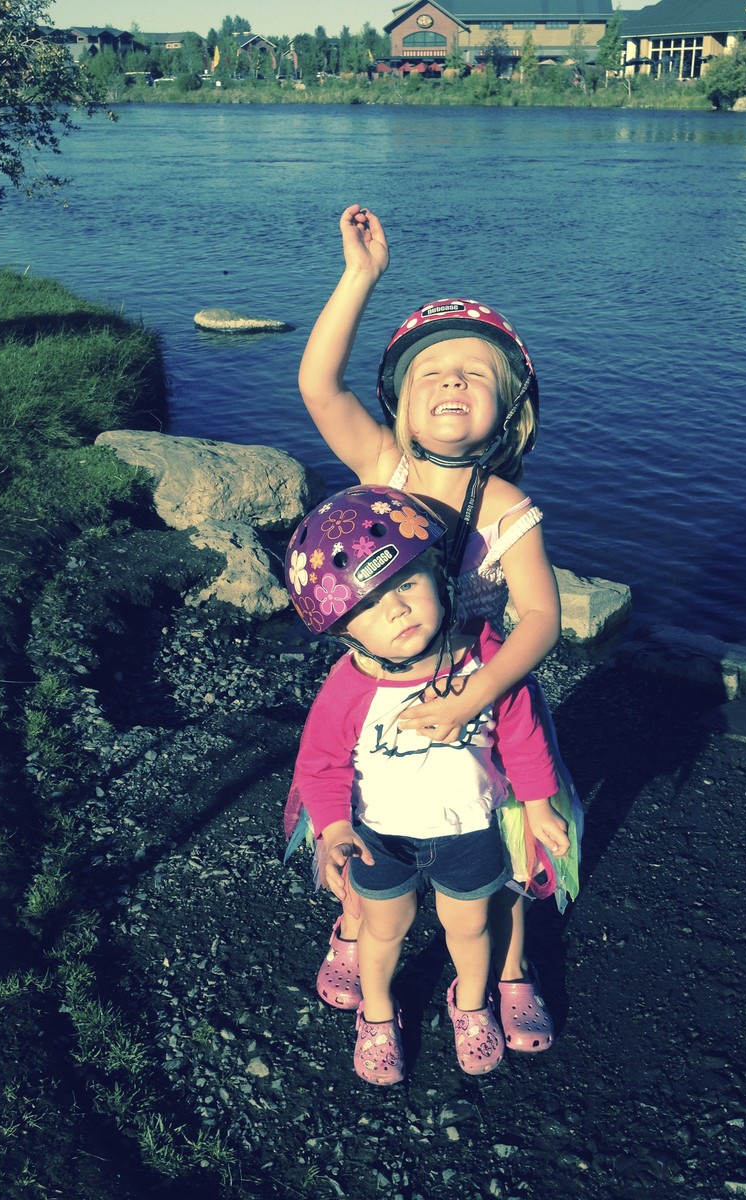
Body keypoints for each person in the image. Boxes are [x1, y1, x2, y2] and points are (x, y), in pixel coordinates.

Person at [296, 203, 583, 1052]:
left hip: (482, 692)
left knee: (509, 834)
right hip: (380, 680)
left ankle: (510, 968)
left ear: (509, 411)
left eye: (475, 373)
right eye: (432, 373)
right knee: (359, 814)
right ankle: (356, 925)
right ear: (400, 404)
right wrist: (359, 278)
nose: (453, 382)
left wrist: (482, 694)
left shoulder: (508, 508)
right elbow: (318, 386)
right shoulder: (385, 468)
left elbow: (542, 619)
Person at [283, 486, 571, 1084]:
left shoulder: (481, 665)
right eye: (370, 605)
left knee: (470, 926)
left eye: (408, 585)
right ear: (342, 630)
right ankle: (379, 1011)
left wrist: (540, 805)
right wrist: (334, 827)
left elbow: (521, 735)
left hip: (469, 828)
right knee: (385, 927)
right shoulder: (350, 689)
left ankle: (470, 1003)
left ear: (441, 579)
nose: (397, 609)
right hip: (380, 837)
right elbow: (321, 765)